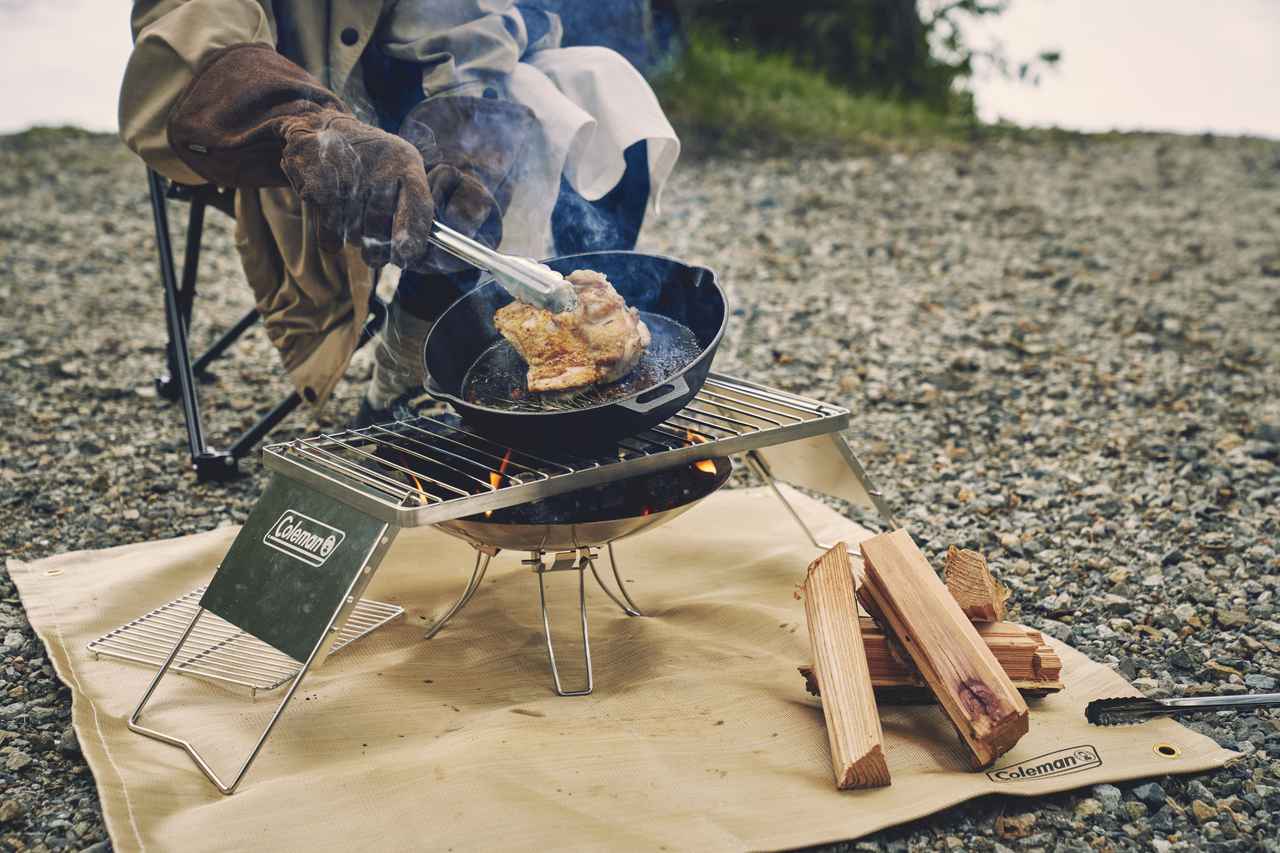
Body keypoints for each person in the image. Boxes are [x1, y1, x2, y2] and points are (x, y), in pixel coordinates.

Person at [118, 0, 679, 425]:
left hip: (407, 98)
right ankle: (407, 374)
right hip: (287, 131)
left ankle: (537, 339)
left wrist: (467, 134)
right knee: (523, 118)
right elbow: (193, 35)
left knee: (598, 78)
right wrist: (311, 127)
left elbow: (457, 25)